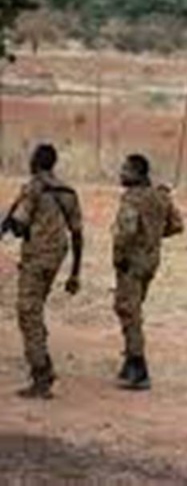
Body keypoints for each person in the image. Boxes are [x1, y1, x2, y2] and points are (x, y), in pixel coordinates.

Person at [1, 143, 83, 399]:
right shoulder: (67, 191)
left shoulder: (33, 188)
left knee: (27, 313)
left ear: (34, 162)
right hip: (57, 257)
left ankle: (41, 374)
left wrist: (11, 219)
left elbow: (18, 227)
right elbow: (78, 234)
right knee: (34, 309)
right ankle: (42, 361)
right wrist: (74, 273)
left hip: (37, 258)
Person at [112, 153, 183, 390]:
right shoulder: (160, 197)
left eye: (125, 169)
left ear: (137, 174)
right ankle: (130, 362)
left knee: (128, 311)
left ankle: (138, 367)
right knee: (133, 308)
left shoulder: (131, 199)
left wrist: (119, 257)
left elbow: (126, 232)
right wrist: (152, 237)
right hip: (151, 261)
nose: (121, 173)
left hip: (131, 262)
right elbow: (176, 225)